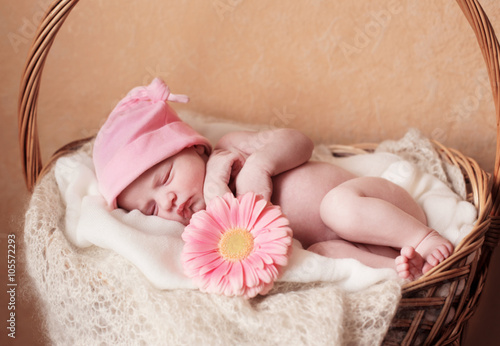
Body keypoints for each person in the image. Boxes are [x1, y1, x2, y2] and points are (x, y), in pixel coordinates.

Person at [93, 78, 453, 280]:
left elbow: (300, 142)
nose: (168, 201)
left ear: (194, 148)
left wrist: (260, 165)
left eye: (165, 177)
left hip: (378, 208)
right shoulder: (209, 227)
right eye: (152, 208)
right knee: (323, 255)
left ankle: (422, 238)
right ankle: (403, 272)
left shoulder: (231, 150)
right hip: (366, 247)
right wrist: (216, 192)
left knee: (336, 207)